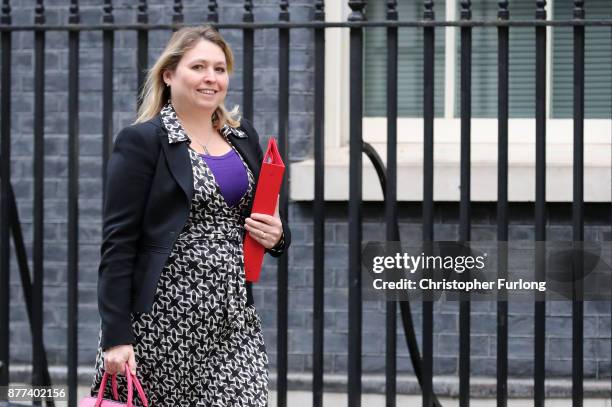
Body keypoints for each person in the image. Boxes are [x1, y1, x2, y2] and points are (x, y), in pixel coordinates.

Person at [89, 25, 291, 406]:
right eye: (198, 67)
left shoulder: (242, 136)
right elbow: (118, 245)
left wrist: (278, 236)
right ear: (169, 74)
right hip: (161, 322)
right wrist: (116, 336)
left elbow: (266, 222)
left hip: (232, 319)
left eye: (219, 68)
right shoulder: (143, 142)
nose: (210, 78)